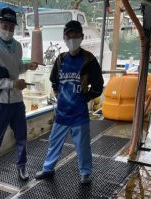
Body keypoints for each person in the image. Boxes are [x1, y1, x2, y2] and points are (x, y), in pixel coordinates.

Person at [35, 20, 104, 184]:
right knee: (54, 142)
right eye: (69, 35)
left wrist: (85, 98)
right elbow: (53, 81)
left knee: (83, 146)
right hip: (62, 113)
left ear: (81, 36)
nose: (72, 38)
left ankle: (86, 173)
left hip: (79, 114)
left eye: (75, 35)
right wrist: (59, 95)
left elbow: (98, 85)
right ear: (64, 37)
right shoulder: (60, 59)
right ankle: (48, 169)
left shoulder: (89, 59)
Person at [0, 7, 37, 184]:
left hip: (17, 101)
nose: (8, 30)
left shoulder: (17, 46)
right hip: (0, 103)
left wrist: (27, 67)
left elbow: (17, 68)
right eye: (5, 25)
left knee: (22, 136)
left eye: (12, 27)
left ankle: (22, 167)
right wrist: (12, 84)